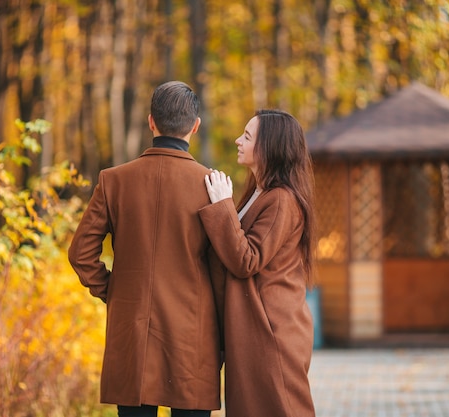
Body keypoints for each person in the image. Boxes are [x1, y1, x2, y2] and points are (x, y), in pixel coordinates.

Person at [68, 81, 222, 417]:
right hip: (191, 337)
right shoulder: (212, 185)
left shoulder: (114, 180)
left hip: (132, 332)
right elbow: (226, 263)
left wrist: (113, 291)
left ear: (151, 122)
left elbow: (80, 253)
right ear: (195, 126)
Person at [199, 109, 316, 417]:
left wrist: (223, 206)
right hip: (254, 327)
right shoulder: (259, 192)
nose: (238, 140)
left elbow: (246, 260)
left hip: (271, 331)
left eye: (247, 136)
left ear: (270, 147)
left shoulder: (281, 200)